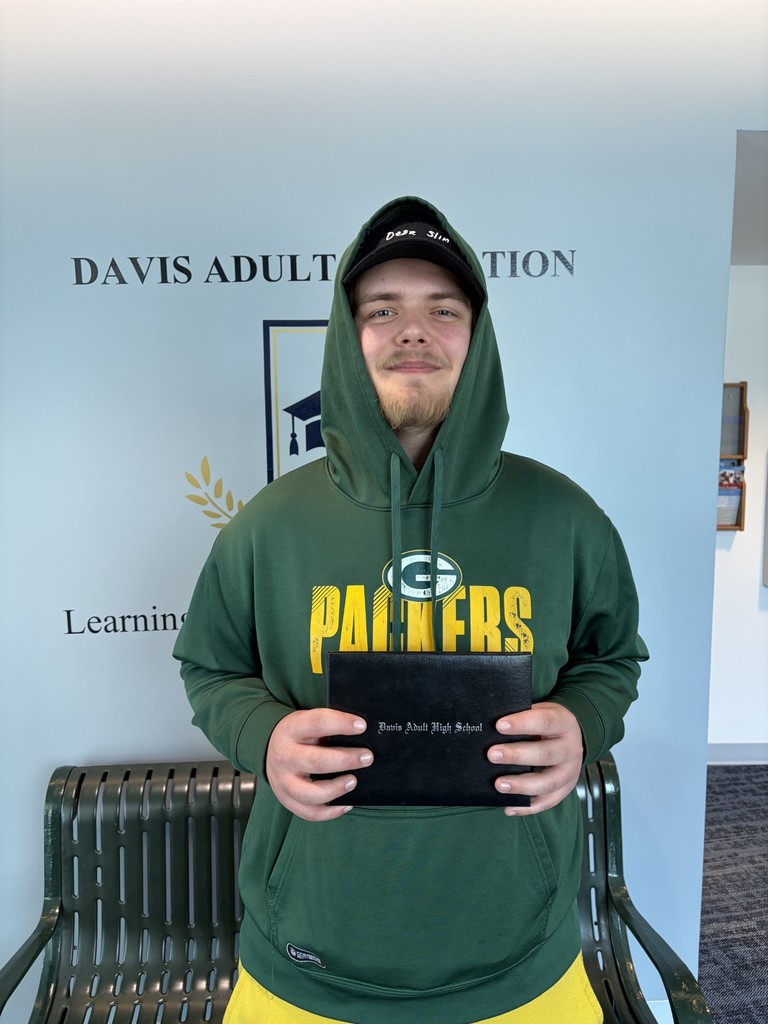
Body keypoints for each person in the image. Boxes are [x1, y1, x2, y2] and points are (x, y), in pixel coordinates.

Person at [173, 196, 648, 1024]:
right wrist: (262, 735)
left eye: (443, 310)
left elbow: (611, 662)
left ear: (478, 336)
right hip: (305, 964)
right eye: (381, 309)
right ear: (346, 338)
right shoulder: (266, 526)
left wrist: (581, 722)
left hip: (522, 964)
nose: (413, 331)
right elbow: (210, 667)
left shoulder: (565, 518)